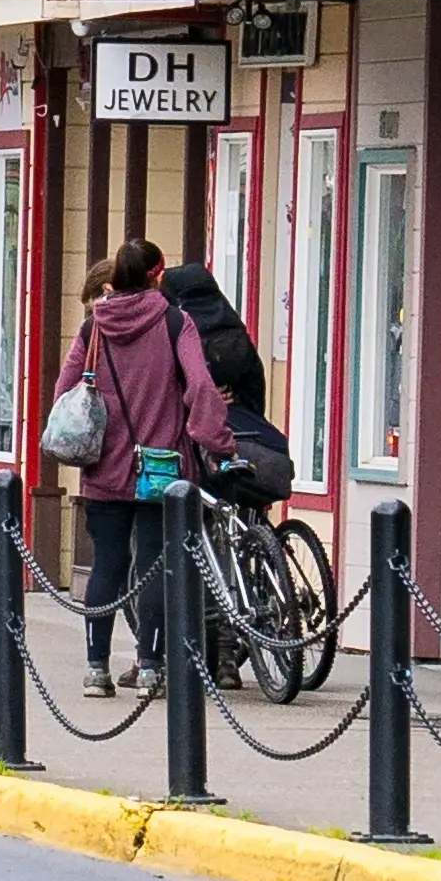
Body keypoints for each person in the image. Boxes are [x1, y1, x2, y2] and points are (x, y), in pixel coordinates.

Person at [68, 240, 220, 685]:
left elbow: (66, 391)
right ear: (158, 274)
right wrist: (217, 443)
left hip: (103, 469)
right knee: (154, 562)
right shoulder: (176, 323)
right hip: (161, 468)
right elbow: (202, 389)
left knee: (107, 564)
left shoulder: (92, 328)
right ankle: (151, 666)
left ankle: (97, 668)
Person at [159, 250, 279, 498]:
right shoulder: (232, 327)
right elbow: (255, 379)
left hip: (195, 428)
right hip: (239, 422)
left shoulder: (179, 327)